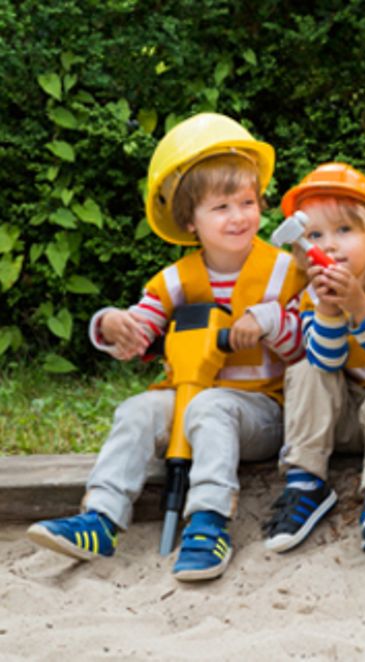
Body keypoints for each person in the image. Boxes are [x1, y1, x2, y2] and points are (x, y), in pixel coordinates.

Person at [26, 113, 307, 581]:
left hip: (261, 410)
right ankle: (101, 518)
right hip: (191, 398)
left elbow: (307, 339)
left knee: (213, 407)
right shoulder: (177, 280)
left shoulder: (283, 271)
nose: (239, 216)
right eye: (221, 207)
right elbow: (140, 326)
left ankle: (209, 521)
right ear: (189, 220)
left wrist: (268, 323)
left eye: (247, 201)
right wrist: (114, 324)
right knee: (137, 410)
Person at [262, 162, 365, 554]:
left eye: (344, 231)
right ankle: (305, 483)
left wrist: (359, 305)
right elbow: (326, 361)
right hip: (334, 419)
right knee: (306, 369)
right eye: (314, 236)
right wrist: (327, 310)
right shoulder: (311, 294)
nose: (329, 245)